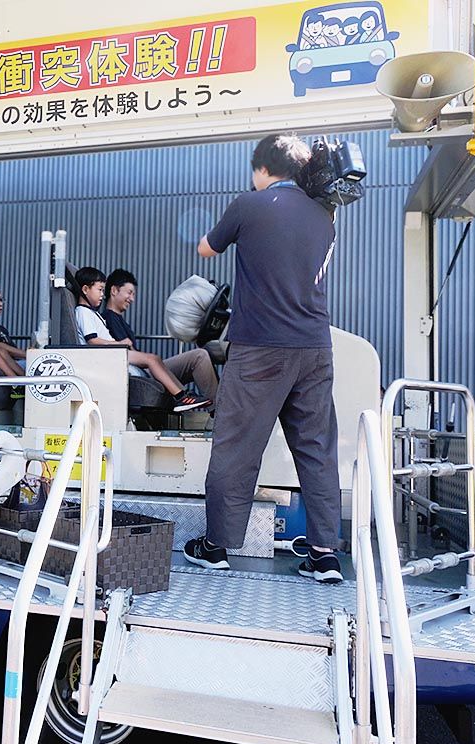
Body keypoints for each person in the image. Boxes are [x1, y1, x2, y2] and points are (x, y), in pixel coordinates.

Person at [182, 134, 343, 582]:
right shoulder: (325, 216)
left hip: (259, 349)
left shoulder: (249, 205)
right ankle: (324, 555)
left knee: (237, 446)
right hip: (315, 348)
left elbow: (206, 248)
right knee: (316, 449)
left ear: (265, 168)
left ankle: (216, 546)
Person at [74, 266, 211, 413]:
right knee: (152, 359)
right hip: (115, 355)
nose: (102, 294)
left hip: (116, 353)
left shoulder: (93, 314)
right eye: (100, 290)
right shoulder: (84, 312)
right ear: (85, 289)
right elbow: (92, 340)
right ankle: (181, 397)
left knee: (154, 359)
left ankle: (183, 395)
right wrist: (119, 343)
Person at [102, 268, 219, 404]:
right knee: (199, 356)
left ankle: (216, 408)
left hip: (148, 369)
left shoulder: (118, 319)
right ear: (114, 291)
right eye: (129, 293)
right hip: (145, 372)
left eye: (133, 294)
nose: (132, 299)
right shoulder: (109, 318)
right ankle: (218, 409)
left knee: (200, 356)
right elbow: (126, 353)